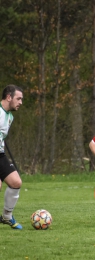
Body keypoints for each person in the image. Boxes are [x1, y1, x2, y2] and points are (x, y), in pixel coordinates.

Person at [0, 85, 23, 229]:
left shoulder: (10, 116)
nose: (21, 102)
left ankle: (7, 216)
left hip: (0, 154)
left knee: (16, 182)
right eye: (18, 98)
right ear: (9, 97)